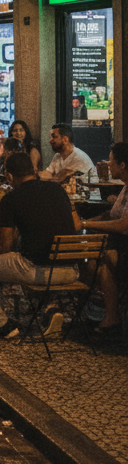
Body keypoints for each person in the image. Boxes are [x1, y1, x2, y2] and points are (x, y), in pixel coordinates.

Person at [0, 151, 79, 338]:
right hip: (71, 270)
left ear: (10, 176)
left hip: (38, 271)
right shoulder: (58, 190)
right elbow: (75, 225)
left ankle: (2, 324)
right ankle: (50, 309)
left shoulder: (10, 199)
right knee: (26, 257)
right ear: (33, 170)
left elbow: (4, 247)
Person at [78, 141, 128, 336]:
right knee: (86, 255)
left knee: (103, 256)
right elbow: (110, 215)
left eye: (111, 161)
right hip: (119, 245)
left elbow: (123, 225)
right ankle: (97, 307)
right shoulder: (124, 187)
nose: (108, 165)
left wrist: (85, 224)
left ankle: (110, 316)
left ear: (122, 165)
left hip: (124, 248)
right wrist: (84, 222)